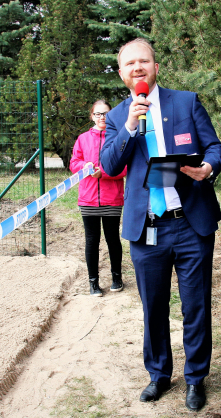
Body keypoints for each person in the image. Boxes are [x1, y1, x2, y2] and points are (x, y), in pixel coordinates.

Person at [100, 38, 221, 412]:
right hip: (147, 229)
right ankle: (158, 375)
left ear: (156, 66)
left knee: (195, 305)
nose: (138, 68)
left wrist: (208, 168)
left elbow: (214, 147)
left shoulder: (185, 102)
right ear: (122, 74)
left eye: (144, 61)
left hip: (191, 224)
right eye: (130, 64)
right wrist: (130, 127)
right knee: (153, 307)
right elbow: (109, 166)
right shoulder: (117, 116)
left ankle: (195, 379)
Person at [69, 99, 127, 297]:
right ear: (91, 116)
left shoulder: (119, 137)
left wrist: (104, 173)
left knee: (112, 239)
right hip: (88, 198)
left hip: (112, 198)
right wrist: (84, 167)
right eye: (98, 114)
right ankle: (93, 282)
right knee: (91, 241)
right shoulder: (83, 139)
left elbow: (124, 166)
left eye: (106, 114)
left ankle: (117, 277)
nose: (102, 117)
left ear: (111, 115)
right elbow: (74, 162)